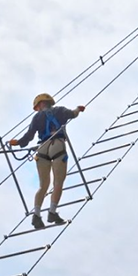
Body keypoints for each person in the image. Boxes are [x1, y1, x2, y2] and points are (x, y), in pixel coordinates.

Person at [9, 94, 85, 229]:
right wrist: (78, 109)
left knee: (43, 186)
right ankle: (52, 212)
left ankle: (36, 216)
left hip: (42, 149)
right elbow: (73, 114)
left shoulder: (37, 117)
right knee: (58, 182)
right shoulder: (60, 110)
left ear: (39, 105)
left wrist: (17, 143)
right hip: (57, 145)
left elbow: (28, 136)